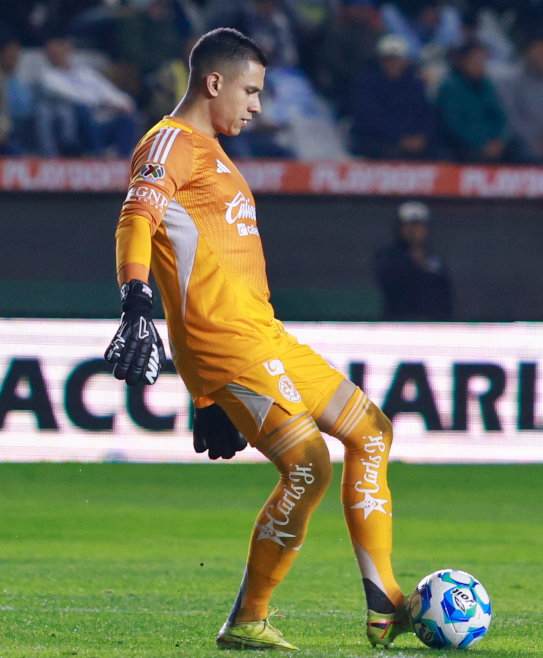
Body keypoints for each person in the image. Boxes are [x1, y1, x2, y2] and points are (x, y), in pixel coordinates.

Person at [105, 27, 410, 650]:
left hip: (264, 335)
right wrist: (135, 298)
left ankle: (385, 598)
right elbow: (137, 217)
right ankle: (247, 620)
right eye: (250, 90)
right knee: (308, 466)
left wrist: (205, 402)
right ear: (213, 82)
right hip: (228, 345)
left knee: (371, 431)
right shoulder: (169, 142)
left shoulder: (212, 151)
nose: (257, 105)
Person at [35, 35, 140, 157]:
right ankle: (97, 155)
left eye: (60, 51)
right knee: (81, 109)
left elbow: (110, 91)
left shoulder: (84, 72)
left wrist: (122, 103)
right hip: (75, 127)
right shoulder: (47, 77)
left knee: (126, 119)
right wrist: (104, 102)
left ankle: (124, 161)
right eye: (52, 53)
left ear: (68, 49)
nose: (57, 56)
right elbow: (74, 97)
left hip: (99, 122)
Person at [349, 34, 435, 159]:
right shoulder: (366, 84)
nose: (393, 64)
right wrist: (400, 138)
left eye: (397, 59)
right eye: (388, 59)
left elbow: (426, 114)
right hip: (379, 141)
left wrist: (423, 137)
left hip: (411, 140)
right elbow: (370, 118)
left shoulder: (414, 85)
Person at [375, 201, 453, 321]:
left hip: (431, 328)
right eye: (409, 226)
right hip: (396, 325)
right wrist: (411, 262)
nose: (414, 231)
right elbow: (388, 285)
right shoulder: (387, 257)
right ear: (400, 228)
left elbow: (445, 296)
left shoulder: (435, 260)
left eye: (418, 226)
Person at [435, 41, 510, 162]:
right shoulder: (450, 87)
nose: (480, 65)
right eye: (476, 61)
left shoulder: (487, 85)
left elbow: (500, 116)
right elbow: (454, 125)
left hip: (492, 143)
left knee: (517, 150)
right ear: (463, 61)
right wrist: (482, 143)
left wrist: (499, 139)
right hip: (464, 144)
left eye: (482, 61)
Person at [497, 36, 543, 163]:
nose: (542, 57)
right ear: (526, 55)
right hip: (520, 139)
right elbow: (510, 117)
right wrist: (533, 141)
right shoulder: (512, 80)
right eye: (537, 53)